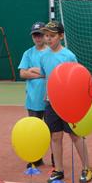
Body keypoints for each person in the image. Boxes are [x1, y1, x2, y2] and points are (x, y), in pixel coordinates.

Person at [40, 21, 92, 183]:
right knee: (55, 136)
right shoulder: (44, 57)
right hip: (51, 103)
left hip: (69, 104)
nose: (48, 39)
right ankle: (58, 170)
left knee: (75, 135)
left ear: (61, 36)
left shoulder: (69, 56)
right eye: (46, 36)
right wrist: (46, 95)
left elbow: (77, 78)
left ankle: (87, 168)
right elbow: (47, 77)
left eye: (52, 36)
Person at [17, 21, 52, 170]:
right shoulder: (28, 53)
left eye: (40, 35)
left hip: (50, 99)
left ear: (45, 35)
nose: (37, 38)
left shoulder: (51, 52)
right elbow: (22, 73)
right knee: (34, 131)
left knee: (52, 131)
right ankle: (36, 158)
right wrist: (41, 74)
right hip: (33, 100)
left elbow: (52, 72)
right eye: (35, 35)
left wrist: (34, 70)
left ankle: (55, 159)